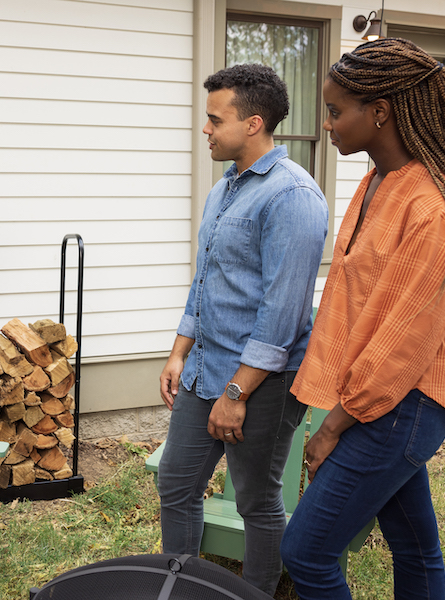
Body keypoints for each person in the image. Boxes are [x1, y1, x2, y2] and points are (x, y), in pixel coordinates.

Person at [279, 38, 445, 600]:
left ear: (380, 112)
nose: (326, 124)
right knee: (415, 548)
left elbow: (404, 345)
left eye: (334, 111)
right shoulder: (378, 182)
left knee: (306, 551)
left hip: (401, 405)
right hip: (378, 401)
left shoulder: (434, 207)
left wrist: (331, 428)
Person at [157, 64, 328, 596]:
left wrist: (237, 392)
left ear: (253, 123)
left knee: (257, 499)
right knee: (176, 482)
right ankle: (179, 586)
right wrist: (179, 351)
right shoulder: (225, 189)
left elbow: (284, 315)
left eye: (214, 119)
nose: (205, 130)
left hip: (262, 383)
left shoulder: (293, 197)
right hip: (204, 367)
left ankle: (256, 591)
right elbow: (206, 279)